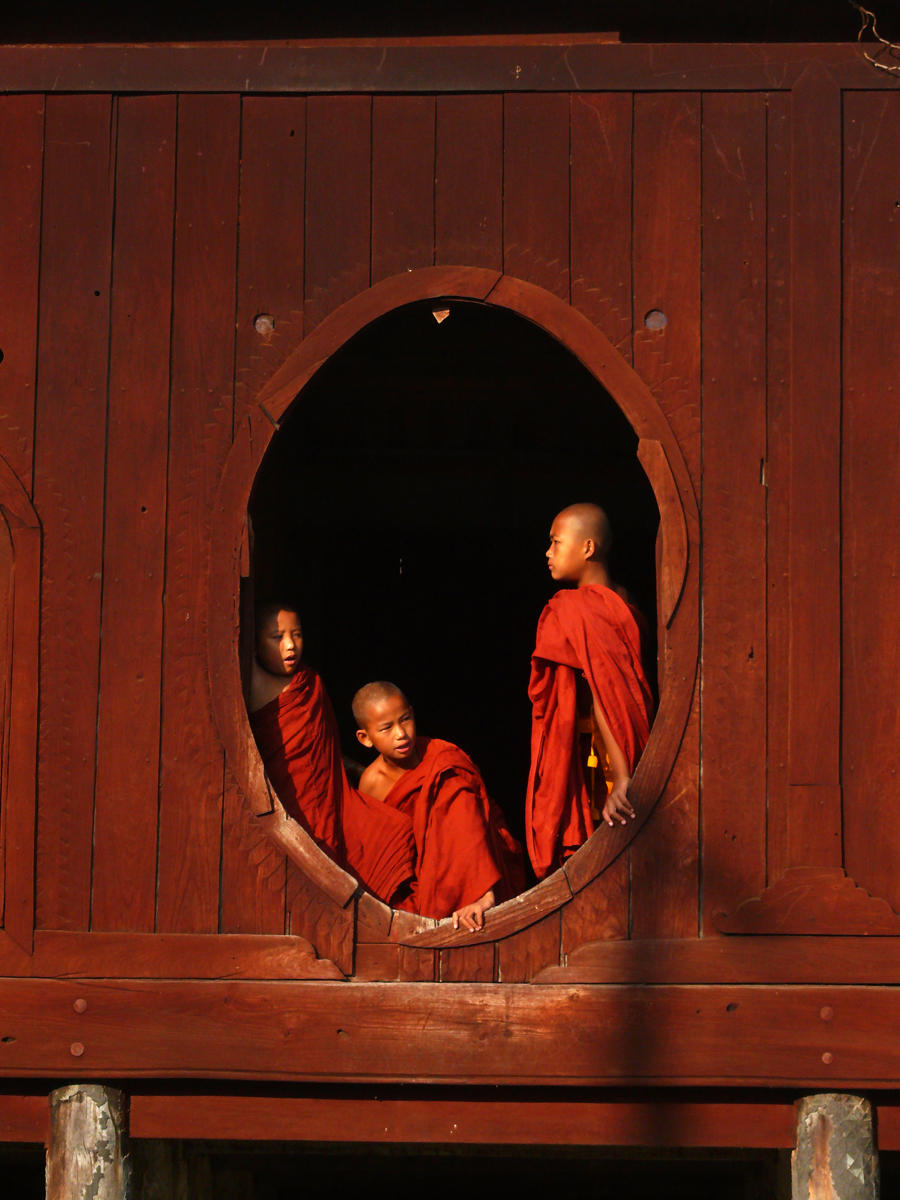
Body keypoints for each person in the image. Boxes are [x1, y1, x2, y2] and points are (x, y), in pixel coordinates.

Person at [249, 605, 415, 906]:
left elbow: (323, 747)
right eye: (277, 637)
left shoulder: (308, 683)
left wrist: (352, 768)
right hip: (290, 802)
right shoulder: (250, 680)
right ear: (253, 642)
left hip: (332, 797)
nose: (290, 645)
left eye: (296, 635)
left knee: (395, 832)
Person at [526, 503, 654, 880]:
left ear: (587, 548)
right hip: (615, 753)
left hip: (605, 765)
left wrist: (624, 774)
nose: (548, 553)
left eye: (555, 542)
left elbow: (605, 694)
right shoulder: (624, 602)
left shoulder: (582, 609)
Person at [353, 682, 526, 931]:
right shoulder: (372, 783)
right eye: (386, 728)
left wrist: (481, 889)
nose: (401, 733)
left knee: (456, 794)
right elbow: (377, 850)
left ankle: (482, 895)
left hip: (476, 870)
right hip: (423, 879)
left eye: (405, 720)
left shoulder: (443, 760)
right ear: (365, 738)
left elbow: (476, 818)